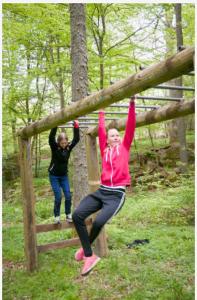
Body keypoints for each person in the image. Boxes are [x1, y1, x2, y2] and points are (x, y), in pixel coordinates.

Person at [72, 95, 136, 276]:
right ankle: (89, 254)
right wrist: (101, 112)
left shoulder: (124, 147)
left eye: (117, 135)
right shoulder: (104, 149)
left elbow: (131, 125)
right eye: (112, 136)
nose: (115, 138)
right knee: (77, 215)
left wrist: (131, 103)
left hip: (116, 195)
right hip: (101, 192)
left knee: (99, 221)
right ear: (107, 140)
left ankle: (86, 252)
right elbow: (101, 130)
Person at [48, 121, 79, 224]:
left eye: (65, 143)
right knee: (58, 196)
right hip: (54, 176)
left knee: (68, 196)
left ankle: (68, 214)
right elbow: (51, 137)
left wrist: (76, 126)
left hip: (64, 176)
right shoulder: (54, 147)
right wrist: (55, 124)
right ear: (58, 142)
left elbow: (76, 139)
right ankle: (57, 216)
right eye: (62, 143)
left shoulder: (68, 147)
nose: (64, 145)